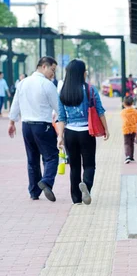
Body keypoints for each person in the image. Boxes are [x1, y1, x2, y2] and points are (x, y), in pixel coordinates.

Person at [55, 59, 109, 205]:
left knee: (74, 166)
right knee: (89, 165)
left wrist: (60, 136)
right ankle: (86, 184)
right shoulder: (90, 89)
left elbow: (61, 118)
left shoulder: (62, 91)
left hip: (70, 134)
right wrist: (106, 129)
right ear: (83, 73)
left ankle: (76, 198)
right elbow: (100, 111)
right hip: (87, 132)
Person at [8, 57, 59, 201]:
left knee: (32, 159)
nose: (53, 74)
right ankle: (46, 181)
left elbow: (15, 103)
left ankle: (34, 192)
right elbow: (58, 107)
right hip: (43, 125)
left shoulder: (23, 82)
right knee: (51, 156)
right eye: (52, 70)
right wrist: (63, 125)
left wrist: (12, 122)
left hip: (26, 126)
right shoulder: (47, 85)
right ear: (44, 66)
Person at [121, 96, 137, 164]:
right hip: (133, 129)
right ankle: (131, 156)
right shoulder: (135, 111)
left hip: (126, 129)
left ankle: (127, 156)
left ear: (124, 104)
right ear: (132, 103)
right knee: (131, 143)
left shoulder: (123, 112)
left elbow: (124, 121)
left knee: (126, 143)